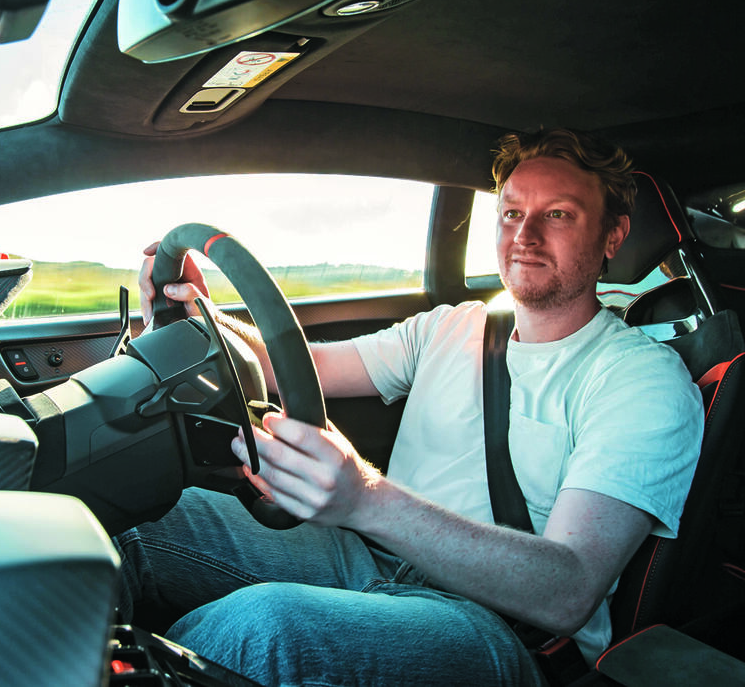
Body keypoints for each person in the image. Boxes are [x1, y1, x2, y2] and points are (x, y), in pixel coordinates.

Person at [117, 129, 704, 687]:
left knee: (266, 628)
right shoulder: (451, 328)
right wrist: (196, 312)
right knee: (137, 513)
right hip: (362, 558)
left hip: (496, 626)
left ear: (612, 236)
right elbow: (303, 366)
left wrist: (363, 498)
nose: (525, 235)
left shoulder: (639, 377)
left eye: (557, 214)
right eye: (511, 212)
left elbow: (568, 589)